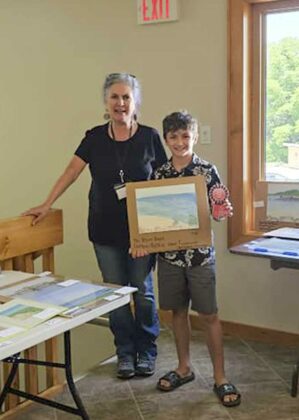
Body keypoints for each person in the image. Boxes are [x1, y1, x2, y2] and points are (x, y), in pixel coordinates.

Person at [23, 73, 167, 380]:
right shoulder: (94, 138)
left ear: (135, 101)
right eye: (114, 97)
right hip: (104, 230)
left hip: (142, 231)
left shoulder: (150, 137)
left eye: (126, 97)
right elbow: (71, 172)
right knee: (115, 292)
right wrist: (46, 204)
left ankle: (147, 350)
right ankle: (125, 352)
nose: (120, 103)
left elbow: (166, 182)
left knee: (142, 292)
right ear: (106, 102)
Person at [153, 111, 241, 407]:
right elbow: (152, 216)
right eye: (174, 137)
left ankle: (220, 376)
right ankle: (183, 367)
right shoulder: (159, 173)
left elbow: (217, 210)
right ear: (166, 139)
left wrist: (222, 210)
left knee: (209, 315)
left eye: (185, 136)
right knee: (177, 312)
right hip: (169, 258)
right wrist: (142, 240)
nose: (180, 142)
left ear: (194, 136)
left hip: (200, 257)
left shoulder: (207, 170)